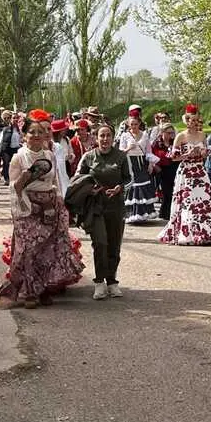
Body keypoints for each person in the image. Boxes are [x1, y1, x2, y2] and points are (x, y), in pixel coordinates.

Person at [0, 119, 84, 308]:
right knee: (28, 251)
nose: (36, 136)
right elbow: (14, 188)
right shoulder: (18, 158)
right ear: (24, 136)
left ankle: (42, 288)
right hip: (27, 209)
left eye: (40, 132)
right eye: (32, 132)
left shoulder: (50, 156)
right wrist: (25, 179)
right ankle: (29, 292)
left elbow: (56, 182)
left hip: (49, 208)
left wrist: (59, 203)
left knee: (47, 250)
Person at [157, 104, 211, 246]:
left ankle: (206, 231)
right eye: (192, 120)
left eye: (197, 120)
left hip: (200, 171)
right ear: (187, 121)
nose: (195, 123)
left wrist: (203, 153)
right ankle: (187, 232)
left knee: (204, 201)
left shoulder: (203, 135)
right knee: (188, 203)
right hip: (186, 172)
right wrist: (187, 154)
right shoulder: (180, 136)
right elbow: (173, 157)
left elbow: (205, 153)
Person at [75, 125, 132, 299]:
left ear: (113, 138)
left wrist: (119, 188)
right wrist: (89, 190)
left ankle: (112, 281)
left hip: (116, 207)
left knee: (114, 244)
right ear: (96, 138)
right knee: (100, 243)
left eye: (108, 136)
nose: (105, 139)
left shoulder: (121, 157)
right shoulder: (88, 157)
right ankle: (99, 282)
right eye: (102, 136)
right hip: (95, 208)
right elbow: (77, 179)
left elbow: (129, 179)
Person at [118, 113, 160, 223]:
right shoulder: (125, 135)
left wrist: (151, 164)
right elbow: (120, 152)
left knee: (143, 185)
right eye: (131, 124)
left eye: (136, 124)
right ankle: (132, 214)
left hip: (142, 163)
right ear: (128, 124)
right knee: (132, 185)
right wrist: (128, 148)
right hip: (130, 162)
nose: (134, 126)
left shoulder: (145, 135)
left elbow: (148, 151)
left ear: (139, 123)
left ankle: (143, 214)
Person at [151, 123, 179, 221]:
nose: (170, 135)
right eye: (168, 133)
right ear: (162, 132)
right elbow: (151, 155)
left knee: (173, 191)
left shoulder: (174, 142)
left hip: (174, 167)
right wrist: (155, 166)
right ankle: (164, 213)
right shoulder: (157, 143)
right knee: (166, 191)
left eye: (172, 133)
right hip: (162, 169)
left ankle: (171, 212)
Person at [0, 110, 22, 186]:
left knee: (15, 164)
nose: (15, 119)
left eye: (17, 118)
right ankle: (7, 179)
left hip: (16, 149)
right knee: (6, 163)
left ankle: (14, 178)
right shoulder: (5, 130)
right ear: (11, 119)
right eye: (14, 118)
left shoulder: (19, 130)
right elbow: (0, 142)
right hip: (6, 150)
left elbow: (22, 139)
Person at [49, 119, 74, 195]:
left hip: (66, 165)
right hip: (55, 167)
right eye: (64, 129)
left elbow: (71, 151)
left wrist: (71, 157)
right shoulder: (51, 142)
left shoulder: (66, 139)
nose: (66, 130)